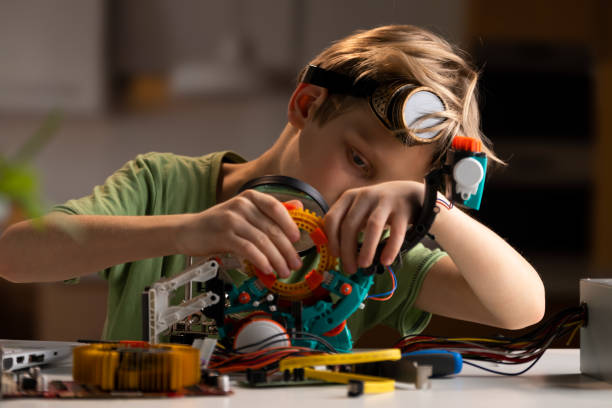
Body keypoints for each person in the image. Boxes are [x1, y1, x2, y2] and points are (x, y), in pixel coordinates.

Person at [0, 25, 544, 343]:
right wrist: (184, 231)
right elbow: (15, 256)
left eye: (390, 186)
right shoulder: (163, 184)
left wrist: (433, 209)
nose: (360, 198)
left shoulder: (372, 244)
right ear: (307, 106)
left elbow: (522, 308)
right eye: (358, 160)